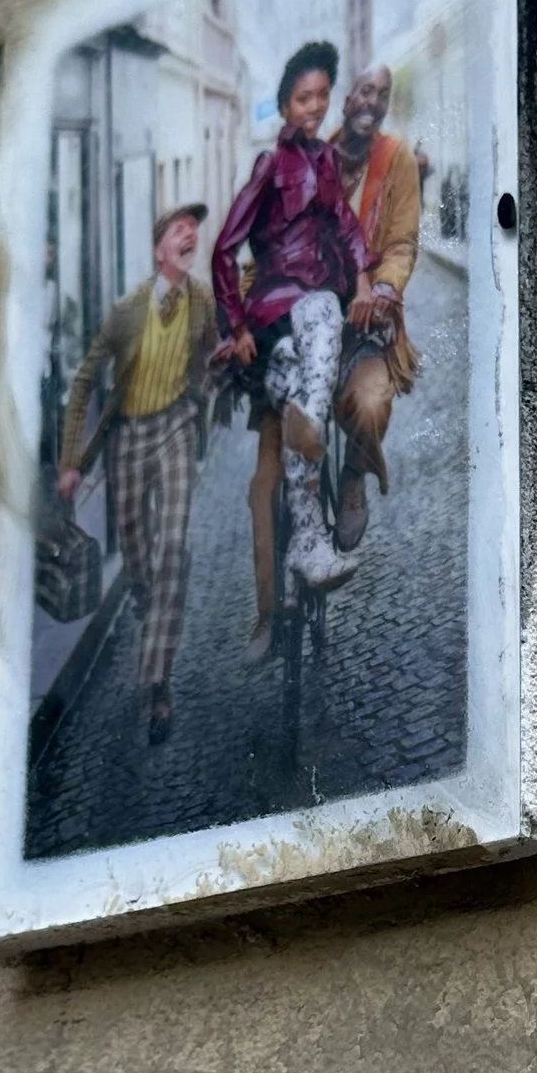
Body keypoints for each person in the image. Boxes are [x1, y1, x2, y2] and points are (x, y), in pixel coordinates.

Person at [210, 40, 367, 659]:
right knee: (301, 370)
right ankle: (292, 568)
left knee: (307, 383)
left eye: (323, 95)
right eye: (304, 97)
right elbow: (226, 247)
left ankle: (309, 539)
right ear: (283, 104)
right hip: (281, 304)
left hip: (321, 301)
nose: (316, 106)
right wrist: (235, 326)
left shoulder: (327, 161)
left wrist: (369, 280)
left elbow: (346, 227)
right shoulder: (269, 169)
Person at [54, 201, 219, 746]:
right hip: (126, 437)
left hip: (175, 428)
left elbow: (212, 359)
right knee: (137, 552)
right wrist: (71, 462)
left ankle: (157, 682)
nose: (189, 236)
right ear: (158, 249)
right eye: (179, 230)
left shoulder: (202, 302)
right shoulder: (127, 311)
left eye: (193, 230)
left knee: (172, 547)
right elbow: (83, 382)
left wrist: (219, 383)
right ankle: (150, 600)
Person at [328, 61, 424, 550]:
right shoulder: (317, 156)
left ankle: (352, 475)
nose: (372, 102)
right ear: (347, 100)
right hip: (310, 315)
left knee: (371, 404)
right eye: (365, 91)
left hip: (367, 326)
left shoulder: (398, 158)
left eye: (382, 95)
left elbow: (403, 241)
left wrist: (385, 289)